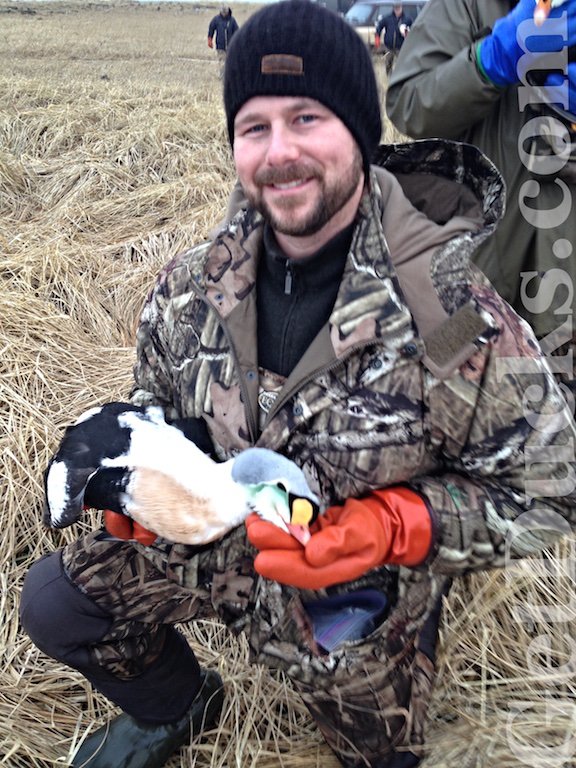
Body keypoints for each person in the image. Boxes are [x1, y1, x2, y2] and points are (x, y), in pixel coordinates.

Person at [20, 2, 576, 767]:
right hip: (217, 548)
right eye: (255, 127)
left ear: (359, 131)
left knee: (379, 753)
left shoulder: (455, 316)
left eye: (308, 117)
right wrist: (146, 493)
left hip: (353, 596)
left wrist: (398, 525)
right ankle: (175, 708)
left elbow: (550, 490)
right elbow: (159, 409)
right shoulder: (187, 291)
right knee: (55, 604)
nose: (280, 151)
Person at [386, 0, 576, 393]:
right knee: (430, 390)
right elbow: (408, 103)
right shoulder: (468, 6)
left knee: (559, 429)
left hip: (564, 275)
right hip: (479, 276)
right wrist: (489, 61)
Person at [376, 3, 413, 74]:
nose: (397, 10)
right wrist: (377, 39)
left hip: (400, 46)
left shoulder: (407, 19)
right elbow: (379, 27)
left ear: (401, 8)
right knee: (388, 65)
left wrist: (407, 32)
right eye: (396, 8)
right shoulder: (387, 18)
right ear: (393, 8)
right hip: (389, 47)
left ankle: (400, 78)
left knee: (402, 64)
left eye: (399, 8)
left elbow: (413, 28)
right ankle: (389, 79)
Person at [207, 4, 238, 78]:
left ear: (228, 12)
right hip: (220, 46)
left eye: (225, 12)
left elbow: (237, 32)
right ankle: (223, 77)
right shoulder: (216, 19)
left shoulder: (232, 20)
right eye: (222, 12)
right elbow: (211, 28)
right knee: (222, 62)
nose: (224, 13)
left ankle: (230, 77)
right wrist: (209, 39)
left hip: (230, 46)